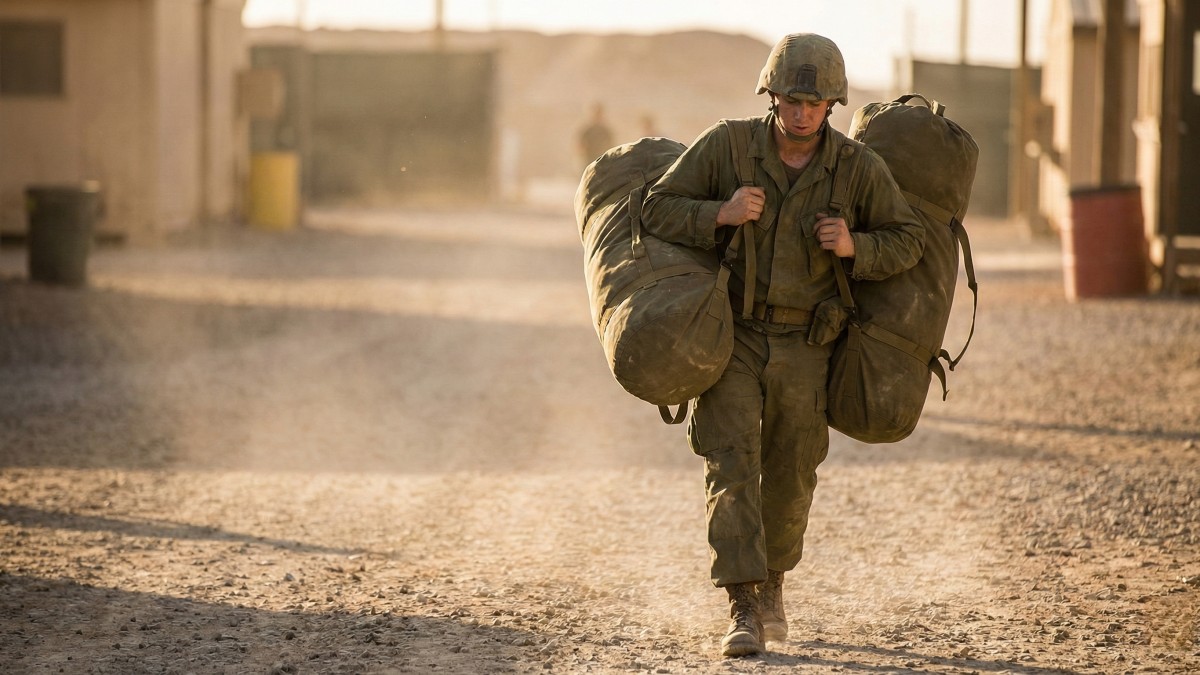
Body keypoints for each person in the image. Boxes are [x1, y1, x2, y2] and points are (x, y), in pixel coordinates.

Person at [641, 33, 925, 658]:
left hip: (808, 341)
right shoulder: (727, 145)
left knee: (793, 474)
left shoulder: (855, 168)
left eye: (816, 102)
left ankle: (773, 583)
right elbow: (656, 206)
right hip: (735, 336)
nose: (802, 113)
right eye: (792, 99)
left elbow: (909, 239)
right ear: (771, 96)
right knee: (731, 462)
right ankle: (742, 602)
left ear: (833, 106)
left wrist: (858, 247)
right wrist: (720, 212)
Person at [577, 102, 615, 168]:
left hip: (603, 160)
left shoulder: (605, 131)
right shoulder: (588, 130)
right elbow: (580, 145)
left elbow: (611, 145)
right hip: (590, 160)